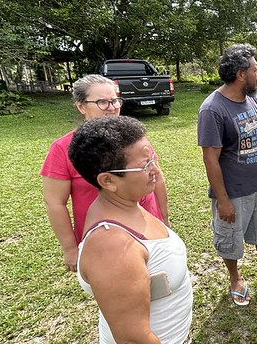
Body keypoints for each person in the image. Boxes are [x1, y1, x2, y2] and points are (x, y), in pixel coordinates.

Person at [69, 115, 210, 344]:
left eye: (152, 156)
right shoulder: (112, 245)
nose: (154, 168)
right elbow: (132, 336)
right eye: (143, 163)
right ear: (108, 180)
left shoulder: (128, 205)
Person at [197, 43, 257, 307]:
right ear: (241, 74)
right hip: (232, 191)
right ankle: (235, 279)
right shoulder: (212, 109)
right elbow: (210, 159)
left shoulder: (252, 98)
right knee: (230, 240)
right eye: (255, 69)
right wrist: (223, 200)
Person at [40, 74, 169, 271]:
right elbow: (55, 203)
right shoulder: (62, 148)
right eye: (102, 102)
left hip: (149, 225)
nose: (112, 107)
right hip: (106, 236)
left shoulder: (135, 139)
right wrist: (70, 249)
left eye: (115, 100)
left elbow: (157, 177)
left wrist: (164, 220)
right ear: (81, 106)